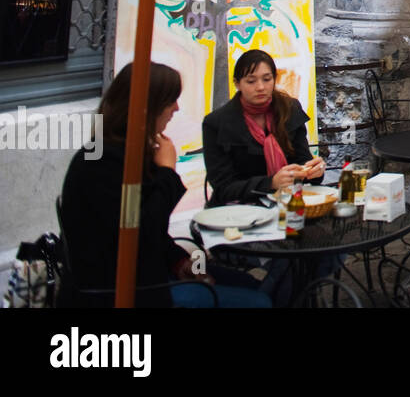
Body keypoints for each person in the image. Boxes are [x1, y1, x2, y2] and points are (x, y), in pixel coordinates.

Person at [58, 61, 269, 308]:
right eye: (171, 101)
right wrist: (167, 172)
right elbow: (140, 228)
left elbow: (150, 234)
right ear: (148, 108)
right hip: (125, 291)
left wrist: (180, 262)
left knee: (248, 282)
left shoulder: (125, 151)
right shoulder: (104, 162)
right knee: (260, 302)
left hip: (150, 271)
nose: (176, 109)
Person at [202, 49, 323, 206]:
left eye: (267, 79)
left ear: (274, 79)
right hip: (236, 211)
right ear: (237, 83)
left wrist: (313, 171)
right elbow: (224, 188)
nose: (260, 87)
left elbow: (302, 162)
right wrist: (270, 183)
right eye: (251, 81)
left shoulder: (289, 109)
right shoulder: (216, 123)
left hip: (286, 204)